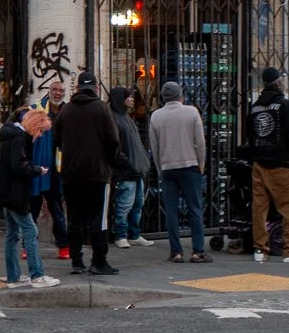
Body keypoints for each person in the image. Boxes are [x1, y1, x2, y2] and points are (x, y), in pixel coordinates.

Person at [53, 72, 121, 275]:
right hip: (97, 173)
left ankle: (76, 260)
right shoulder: (102, 108)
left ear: (77, 89)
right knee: (98, 219)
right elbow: (113, 141)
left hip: (71, 174)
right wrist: (110, 163)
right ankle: (99, 261)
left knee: (74, 218)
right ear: (96, 89)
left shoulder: (66, 111)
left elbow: (57, 140)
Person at [0, 109, 57, 288]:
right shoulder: (19, 139)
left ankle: (14, 277)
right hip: (14, 194)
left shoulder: (11, 135)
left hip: (5, 192)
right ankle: (37, 275)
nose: (40, 135)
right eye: (41, 131)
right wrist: (37, 170)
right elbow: (18, 166)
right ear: (34, 126)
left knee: (12, 234)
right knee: (30, 231)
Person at [247, 66, 289, 264]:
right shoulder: (285, 106)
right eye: (281, 79)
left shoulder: (254, 107)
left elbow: (251, 135)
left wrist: (256, 156)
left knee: (259, 207)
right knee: (287, 207)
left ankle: (260, 249)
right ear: (278, 83)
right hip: (280, 163)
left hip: (259, 163)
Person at [149, 79, 211, 263]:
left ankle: (176, 251)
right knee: (195, 209)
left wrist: (160, 168)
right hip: (190, 166)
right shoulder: (192, 112)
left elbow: (155, 146)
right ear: (180, 96)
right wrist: (201, 164)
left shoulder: (156, 116)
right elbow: (200, 142)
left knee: (171, 211)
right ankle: (197, 250)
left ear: (163, 97)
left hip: (168, 168)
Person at [108, 86, 151, 248]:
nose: (132, 99)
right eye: (129, 97)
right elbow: (114, 146)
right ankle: (121, 234)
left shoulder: (126, 117)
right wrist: (126, 162)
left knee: (137, 204)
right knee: (124, 204)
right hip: (125, 171)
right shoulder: (114, 118)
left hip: (135, 170)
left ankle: (134, 234)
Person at [23, 100, 67, 255]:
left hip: (53, 172)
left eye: (60, 91)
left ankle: (63, 245)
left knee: (56, 211)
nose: (57, 93)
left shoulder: (65, 113)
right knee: (33, 211)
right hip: (37, 171)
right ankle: (28, 246)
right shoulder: (35, 112)